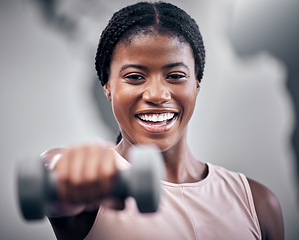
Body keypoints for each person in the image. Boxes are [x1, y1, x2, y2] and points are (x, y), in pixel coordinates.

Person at [42, 2, 284, 239]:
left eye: (175, 75)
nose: (156, 95)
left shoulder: (258, 203)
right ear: (107, 87)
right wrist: (64, 175)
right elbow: (53, 178)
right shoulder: (93, 196)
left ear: (197, 84)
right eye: (135, 77)